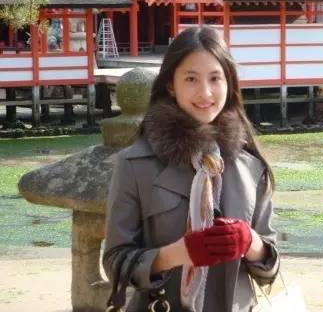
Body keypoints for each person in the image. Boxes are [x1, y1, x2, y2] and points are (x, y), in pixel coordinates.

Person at [103, 26, 279, 312]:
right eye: (191, 79)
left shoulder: (251, 166)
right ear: (171, 85)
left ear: (229, 83)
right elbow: (114, 261)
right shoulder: (135, 165)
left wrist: (251, 242)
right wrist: (176, 254)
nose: (205, 92)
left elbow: (269, 269)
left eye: (215, 78)